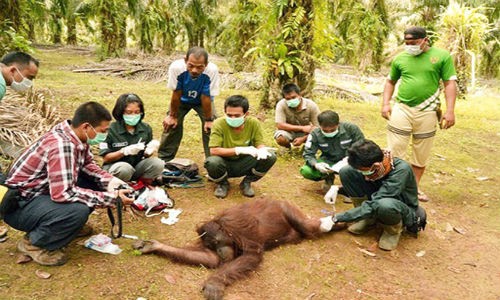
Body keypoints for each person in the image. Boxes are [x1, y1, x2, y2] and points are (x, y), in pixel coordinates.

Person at [3, 102, 134, 266]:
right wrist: (113, 198)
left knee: (92, 182)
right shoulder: (62, 145)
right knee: (76, 211)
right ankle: (34, 243)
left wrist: (112, 183)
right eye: (103, 130)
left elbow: (88, 166)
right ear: (86, 126)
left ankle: (66, 227)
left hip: (39, 195)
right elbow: (63, 194)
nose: (106, 134)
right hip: (20, 206)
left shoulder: (74, 135)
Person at [381, 26, 457, 202]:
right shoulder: (400, 59)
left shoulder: (442, 56)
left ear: (425, 40)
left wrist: (450, 111)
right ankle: (393, 185)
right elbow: (390, 81)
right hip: (402, 108)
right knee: (394, 149)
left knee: (421, 152)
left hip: (428, 110)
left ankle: (413, 188)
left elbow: (449, 84)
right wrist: (385, 103)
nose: (410, 46)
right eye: (407, 43)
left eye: (413, 43)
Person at [319, 139, 427, 251]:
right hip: (379, 198)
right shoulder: (376, 166)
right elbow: (373, 191)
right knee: (347, 172)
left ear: (375, 165)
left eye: (363, 170)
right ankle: (367, 219)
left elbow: (376, 202)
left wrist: (336, 218)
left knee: (384, 204)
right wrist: (337, 188)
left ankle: (392, 230)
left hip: (399, 207)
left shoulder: (400, 171)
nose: (363, 175)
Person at [204, 95, 277, 198]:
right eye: (229, 115)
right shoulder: (218, 124)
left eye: (237, 116)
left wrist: (261, 150)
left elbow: (259, 143)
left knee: (270, 156)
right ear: (225, 112)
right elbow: (214, 151)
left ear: (246, 114)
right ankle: (222, 183)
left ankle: (247, 182)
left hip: (244, 163)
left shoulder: (253, 123)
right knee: (212, 162)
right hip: (224, 163)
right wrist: (239, 150)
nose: (232, 118)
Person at [159, 47, 220, 162]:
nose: (195, 70)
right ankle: (164, 161)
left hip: (202, 101)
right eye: (191, 65)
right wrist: (172, 116)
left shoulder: (212, 70)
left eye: (200, 67)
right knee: (171, 125)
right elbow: (176, 93)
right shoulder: (176, 67)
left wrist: (209, 119)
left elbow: (206, 97)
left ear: (206, 64)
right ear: (185, 60)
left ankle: (213, 163)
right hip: (181, 99)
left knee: (213, 128)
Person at [100, 93, 164, 185]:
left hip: (136, 167)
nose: (133, 115)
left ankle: (143, 186)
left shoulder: (145, 128)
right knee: (124, 168)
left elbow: (145, 156)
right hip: (116, 168)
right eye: (129, 112)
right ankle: (119, 188)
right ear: (121, 112)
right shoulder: (110, 130)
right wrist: (124, 151)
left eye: (137, 112)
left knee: (158, 163)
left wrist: (149, 151)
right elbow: (106, 158)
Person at [300, 110, 364, 193]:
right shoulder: (314, 134)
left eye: (332, 129)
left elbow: (361, 145)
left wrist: (350, 158)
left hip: (351, 161)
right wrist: (316, 165)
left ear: (338, 124)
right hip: (329, 161)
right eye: (325, 130)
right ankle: (329, 178)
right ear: (320, 126)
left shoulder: (351, 129)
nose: (329, 132)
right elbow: (308, 154)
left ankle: (351, 188)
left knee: (362, 167)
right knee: (306, 171)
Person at [274, 83, 320, 148]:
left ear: (300, 95)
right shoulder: (281, 104)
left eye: (293, 97)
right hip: (289, 131)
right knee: (280, 138)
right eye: (288, 99)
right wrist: (302, 128)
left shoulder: (311, 105)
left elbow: (319, 127)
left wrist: (303, 138)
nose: (291, 100)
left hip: (306, 133)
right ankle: (288, 147)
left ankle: (307, 148)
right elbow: (279, 125)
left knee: (317, 133)